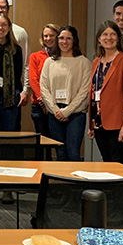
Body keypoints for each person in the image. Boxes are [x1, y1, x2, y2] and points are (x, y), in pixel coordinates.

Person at [88, 21, 123, 166]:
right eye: (105, 35)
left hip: (117, 122)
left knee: (119, 161)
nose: (108, 38)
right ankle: (110, 189)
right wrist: (90, 124)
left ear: (118, 38)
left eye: (112, 34)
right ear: (99, 39)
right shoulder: (96, 62)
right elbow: (94, 92)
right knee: (106, 161)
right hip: (98, 121)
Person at [39, 26, 91, 161]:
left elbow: (84, 90)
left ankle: (74, 182)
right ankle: (60, 182)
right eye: (61, 38)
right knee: (60, 152)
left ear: (75, 41)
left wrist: (67, 111)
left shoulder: (83, 62)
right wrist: (56, 110)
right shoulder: (49, 62)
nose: (64, 41)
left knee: (73, 152)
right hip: (54, 113)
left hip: (75, 114)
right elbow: (44, 88)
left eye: (69, 38)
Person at [29, 24, 60, 139]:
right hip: (39, 105)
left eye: (52, 35)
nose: (48, 38)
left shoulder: (64, 57)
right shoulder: (35, 57)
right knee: (42, 141)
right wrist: (44, 102)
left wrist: (51, 104)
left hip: (59, 105)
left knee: (58, 140)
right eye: (45, 36)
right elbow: (33, 80)